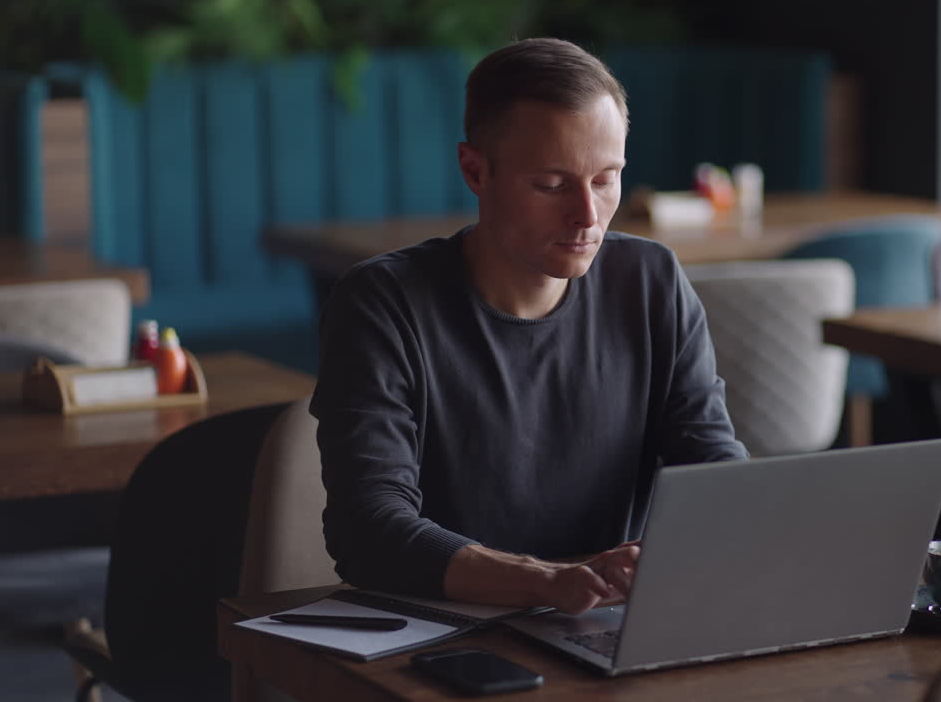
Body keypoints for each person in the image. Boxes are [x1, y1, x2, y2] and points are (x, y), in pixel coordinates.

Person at [311, 38, 747, 616]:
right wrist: (547, 581)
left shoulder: (651, 281)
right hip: (445, 630)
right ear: (475, 170)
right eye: (551, 184)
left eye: (606, 179)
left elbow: (715, 467)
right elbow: (368, 531)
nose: (587, 217)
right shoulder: (384, 302)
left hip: (608, 622)